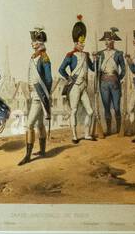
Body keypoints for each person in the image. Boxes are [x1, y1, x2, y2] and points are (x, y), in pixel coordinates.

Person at [57, 15, 97, 143]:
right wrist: (69, 78)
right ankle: (74, 135)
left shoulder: (86, 55)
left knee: (90, 111)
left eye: (83, 42)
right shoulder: (70, 55)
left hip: (83, 87)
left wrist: (95, 60)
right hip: (74, 86)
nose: (83, 45)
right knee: (74, 111)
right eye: (80, 43)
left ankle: (86, 134)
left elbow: (92, 68)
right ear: (75, 42)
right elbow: (61, 69)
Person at [18, 26, 52, 165]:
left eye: (34, 41)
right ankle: (43, 151)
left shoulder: (44, 58)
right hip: (34, 94)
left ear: (40, 43)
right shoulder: (35, 57)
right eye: (33, 41)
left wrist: (44, 94)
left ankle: (28, 156)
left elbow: (49, 79)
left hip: (39, 96)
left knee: (29, 125)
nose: (32, 43)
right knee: (39, 124)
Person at [95, 27, 126, 136]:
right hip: (103, 83)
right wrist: (93, 60)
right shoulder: (99, 54)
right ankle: (108, 130)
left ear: (114, 41)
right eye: (106, 40)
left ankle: (119, 129)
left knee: (117, 107)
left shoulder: (118, 54)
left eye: (110, 40)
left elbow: (124, 69)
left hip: (115, 83)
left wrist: (119, 78)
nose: (108, 42)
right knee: (106, 107)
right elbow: (93, 68)